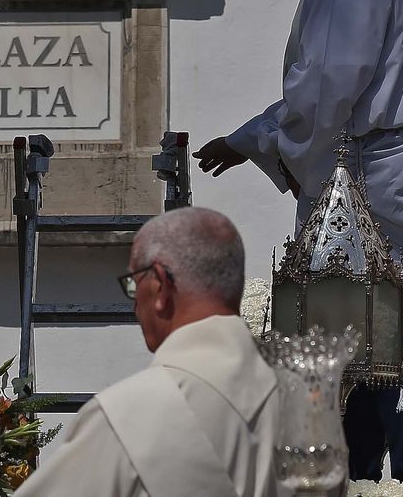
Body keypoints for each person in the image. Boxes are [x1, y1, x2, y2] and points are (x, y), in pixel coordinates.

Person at [193, 0, 403, 482]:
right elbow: (323, 96)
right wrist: (249, 139)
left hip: (378, 171)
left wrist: (279, 151)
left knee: (386, 321)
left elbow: (324, 94)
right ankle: (361, 475)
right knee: (359, 333)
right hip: (397, 160)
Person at [15, 207, 285, 497]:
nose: (134, 305)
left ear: (160, 285)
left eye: (134, 284)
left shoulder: (126, 419)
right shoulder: (303, 398)